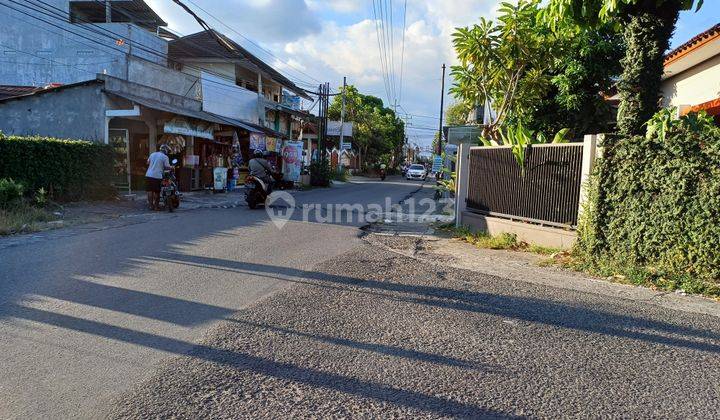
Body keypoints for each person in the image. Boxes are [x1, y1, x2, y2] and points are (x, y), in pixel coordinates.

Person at [146, 144, 171, 210]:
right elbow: (167, 167)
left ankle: (151, 206)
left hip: (148, 175)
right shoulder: (165, 157)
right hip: (157, 176)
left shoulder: (152, 154)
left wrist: (153, 164)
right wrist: (172, 167)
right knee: (157, 192)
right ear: (166, 150)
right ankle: (156, 207)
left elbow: (147, 163)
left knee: (150, 191)